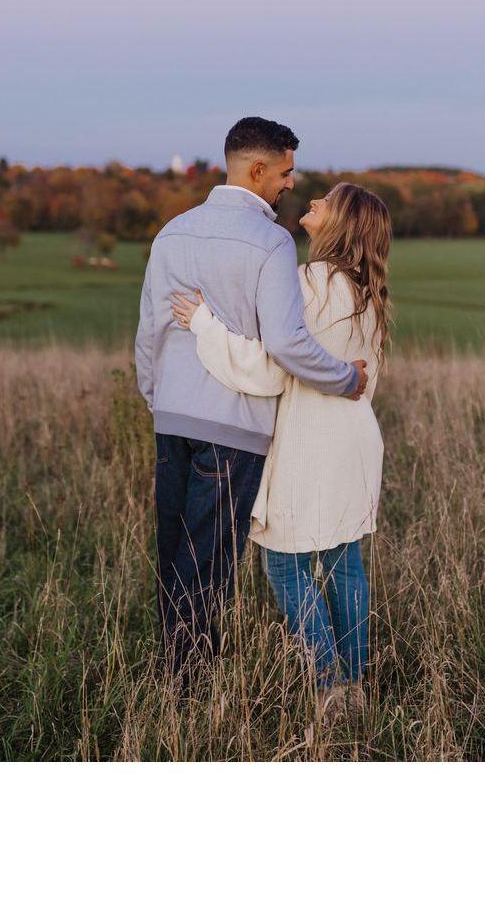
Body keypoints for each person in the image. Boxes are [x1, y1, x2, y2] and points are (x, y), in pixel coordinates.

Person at [134, 117, 368, 682]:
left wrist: (159, 399)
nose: (291, 183)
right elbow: (287, 343)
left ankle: (177, 675)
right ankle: (188, 686)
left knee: (174, 556)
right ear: (258, 170)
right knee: (207, 564)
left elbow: (148, 332)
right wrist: (344, 379)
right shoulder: (271, 242)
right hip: (233, 427)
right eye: (285, 172)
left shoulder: (172, 233)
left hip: (172, 418)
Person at [170, 182, 391, 721]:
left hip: (309, 445)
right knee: (343, 564)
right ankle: (356, 686)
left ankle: (330, 690)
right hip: (355, 442)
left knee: (286, 568)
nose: (313, 200)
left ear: (342, 223)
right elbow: (361, 379)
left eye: (327, 201)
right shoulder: (368, 294)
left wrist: (202, 324)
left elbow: (271, 367)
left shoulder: (308, 282)